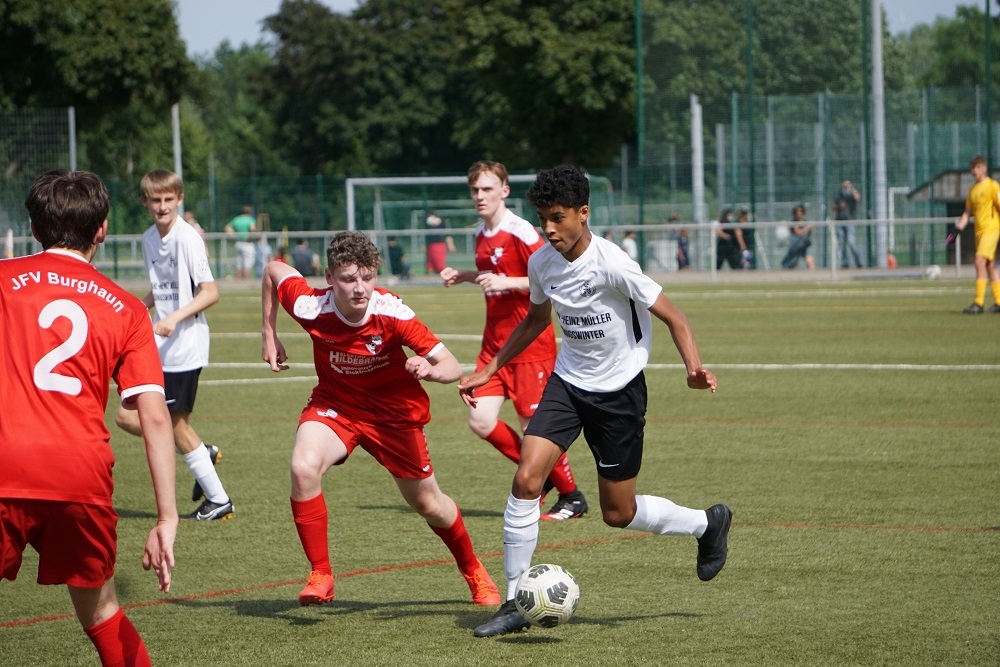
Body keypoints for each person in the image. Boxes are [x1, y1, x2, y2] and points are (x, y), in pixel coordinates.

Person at [458, 164, 729, 638]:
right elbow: (535, 320)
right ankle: (515, 602)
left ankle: (706, 524)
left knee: (618, 514)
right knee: (526, 478)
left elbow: (675, 316)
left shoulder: (613, 263)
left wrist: (693, 368)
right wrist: (489, 369)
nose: (548, 228)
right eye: (542, 218)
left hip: (619, 392)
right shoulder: (542, 263)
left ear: (583, 213)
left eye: (557, 217)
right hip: (567, 383)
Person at [260, 231, 501, 608]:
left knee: (429, 504)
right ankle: (321, 574)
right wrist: (268, 331)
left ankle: (473, 570)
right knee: (303, 467)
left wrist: (430, 369)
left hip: (393, 415)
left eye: (368, 277)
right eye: (348, 278)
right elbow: (274, 270)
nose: (360, 288)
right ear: (329, 277)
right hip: (337, 406)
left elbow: (452, 365)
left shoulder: (392, 312)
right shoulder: (310, 306)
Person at [1, 169, 178, 666]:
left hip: (5, 466)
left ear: (33, 228)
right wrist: (166, 518)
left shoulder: (4, 280)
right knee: (102, 613)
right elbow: (155, 418)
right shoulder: (127, 308)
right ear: (102, 230)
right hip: (81, 476)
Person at [440, 161, 587, 521]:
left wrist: (507, 282)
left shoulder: (522, 231)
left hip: (528, 347)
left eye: (487, 189)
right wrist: (466, 275)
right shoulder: (481, 233)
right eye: (475, 190)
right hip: (494, 346)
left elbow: (551, 273)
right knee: (480, 420)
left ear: (504, 191)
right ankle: (542, 474)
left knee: (534, 429)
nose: (480, 196)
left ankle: (572, 497)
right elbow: (493, 275)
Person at [114, 169, 234, 522]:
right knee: (126, 416)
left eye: (169, 199)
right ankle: (200, 453)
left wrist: (175, 318)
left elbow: (210, 292)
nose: (163, 206)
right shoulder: (148, 239)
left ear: (180, 199)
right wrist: (140, 308)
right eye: (156, 200)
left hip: (185, 345)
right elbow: (161, 288)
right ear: (145, 202)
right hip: (160, 345)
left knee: (175, 425)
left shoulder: (188, 239)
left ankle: (219, 499)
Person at [954, 155, 1000, 313]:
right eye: (973, 167)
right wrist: (957, 230)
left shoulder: (993, 186)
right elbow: (967, 213)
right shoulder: (972, 190)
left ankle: (978, 303)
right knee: (989, 265)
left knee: (979, 261)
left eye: (978, 167)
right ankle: (999, 301)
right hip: (979, 232)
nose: (975, 170)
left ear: (984, 168)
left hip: (992, 229)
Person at [833, 180, 863, 268]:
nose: (846, 185)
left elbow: (858, 197)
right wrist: (839, 206)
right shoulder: (839, 194)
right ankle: (845, 263)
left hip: (850, 221)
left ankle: (858, 261)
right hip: (840, 222)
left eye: (848, 183)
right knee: (842, 244)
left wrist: (851, 188)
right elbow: (833, 207)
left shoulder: (852, 193)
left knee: (851, 241)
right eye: (844, 184)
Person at [225, 205, 256, 279]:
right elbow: (252, 228)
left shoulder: (237, 219)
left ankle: (238, 282)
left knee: (239, 264)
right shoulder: (250, 219)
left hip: (238, 243)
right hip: (247, 243)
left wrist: (233, 236)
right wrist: (251, 236)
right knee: (247, 265)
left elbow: (227, 227)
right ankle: (246, 282)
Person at [780, 203, 815, 270]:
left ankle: (812, 274)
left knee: (810, 260)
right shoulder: (793, 222)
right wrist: (806, 228)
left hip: (804, 244)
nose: (799, 213)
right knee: (792, 263)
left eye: (800, 211)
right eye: (797, 211)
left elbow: (811, 229)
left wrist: (808, 228)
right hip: (796, 245)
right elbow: (798, 232)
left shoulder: (805, 221)